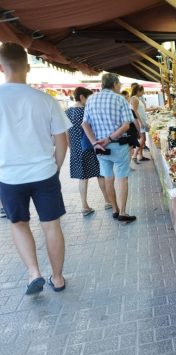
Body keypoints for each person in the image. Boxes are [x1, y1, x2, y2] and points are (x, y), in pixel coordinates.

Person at [0, 43, 70, 294]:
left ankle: (33, 272)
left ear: (1, 67)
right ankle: (58, 278)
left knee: (19, 223)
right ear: (28, 68)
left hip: (8, 175)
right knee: (51, 225)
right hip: (44, 173)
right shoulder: (45, 100)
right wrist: (56, 168)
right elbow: (62, 140)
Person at [82, 73, 136, 223]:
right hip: (118, 145)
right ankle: (123, 213)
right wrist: (110, 138)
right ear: (114, 84)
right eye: (119, 84)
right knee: (121, 178)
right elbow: (126, 125)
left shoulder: (91, 99)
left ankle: (114, 209)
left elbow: (84, 124)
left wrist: (94, 142)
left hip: (100, 148)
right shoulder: (120, 99)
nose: (120, 87)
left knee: (108, 177)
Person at [65, 87, 111, 216]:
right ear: (82, 97)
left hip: (76, 149)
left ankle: (84, 206)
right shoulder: (87, 110)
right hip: (90, 146)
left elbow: (66, 132)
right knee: (100, 173)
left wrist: (71, 147)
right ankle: (108, 201)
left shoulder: (67, 112)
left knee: (82, 177)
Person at [130, 84, 150, 163]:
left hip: (141, 120)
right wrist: (140, 122)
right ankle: (135, 155)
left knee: (143, 138)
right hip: (139, 121)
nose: (143, 93)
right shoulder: (134, 98)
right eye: (142, 91)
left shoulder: (137, 98)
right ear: (138, 91)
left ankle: (138, 156)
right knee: (143, 138)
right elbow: (135, 111)